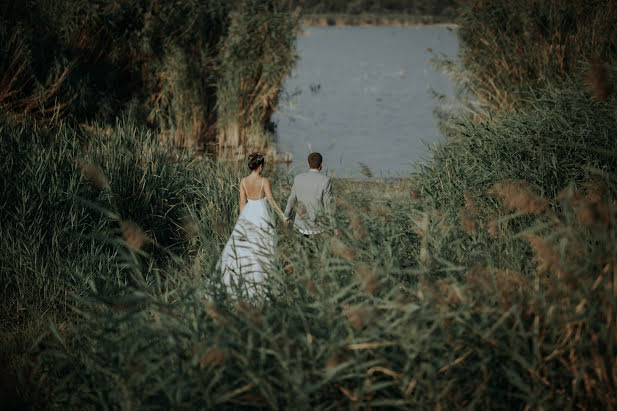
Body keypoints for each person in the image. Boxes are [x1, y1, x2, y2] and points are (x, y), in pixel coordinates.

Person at [219, 152, 285, 297]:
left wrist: (242, 220)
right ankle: (263, 276)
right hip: (262, 214)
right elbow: (271, 200)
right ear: (260, 166)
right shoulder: (264, 181)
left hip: (248, 213)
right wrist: (282, 215)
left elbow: (242, 202)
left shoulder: (243, 181)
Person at [284, 152, 337, 237]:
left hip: (301, 226)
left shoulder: (298, 178)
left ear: (308, 164)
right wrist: (334, 226)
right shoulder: (325, 180)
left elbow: (291, 200)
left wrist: (286, 216)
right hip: (318, 227)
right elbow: (329, 206)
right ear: (322, 164)